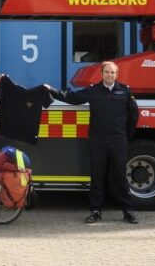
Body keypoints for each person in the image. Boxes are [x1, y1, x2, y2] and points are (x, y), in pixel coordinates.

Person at [48, 61, 140, 224]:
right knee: (97, 177)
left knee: (120, 177)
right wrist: (52, 91)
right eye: (106, 72)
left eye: (112, 73)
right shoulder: (93, 91)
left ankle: (128, 210)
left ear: (116, 75)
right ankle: (95, 211)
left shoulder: (125, 91)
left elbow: (134, 114)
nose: (109, 75)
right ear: (101, 74)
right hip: (98, 141)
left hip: (118, 141)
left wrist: (127, 136)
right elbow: (72, 98)